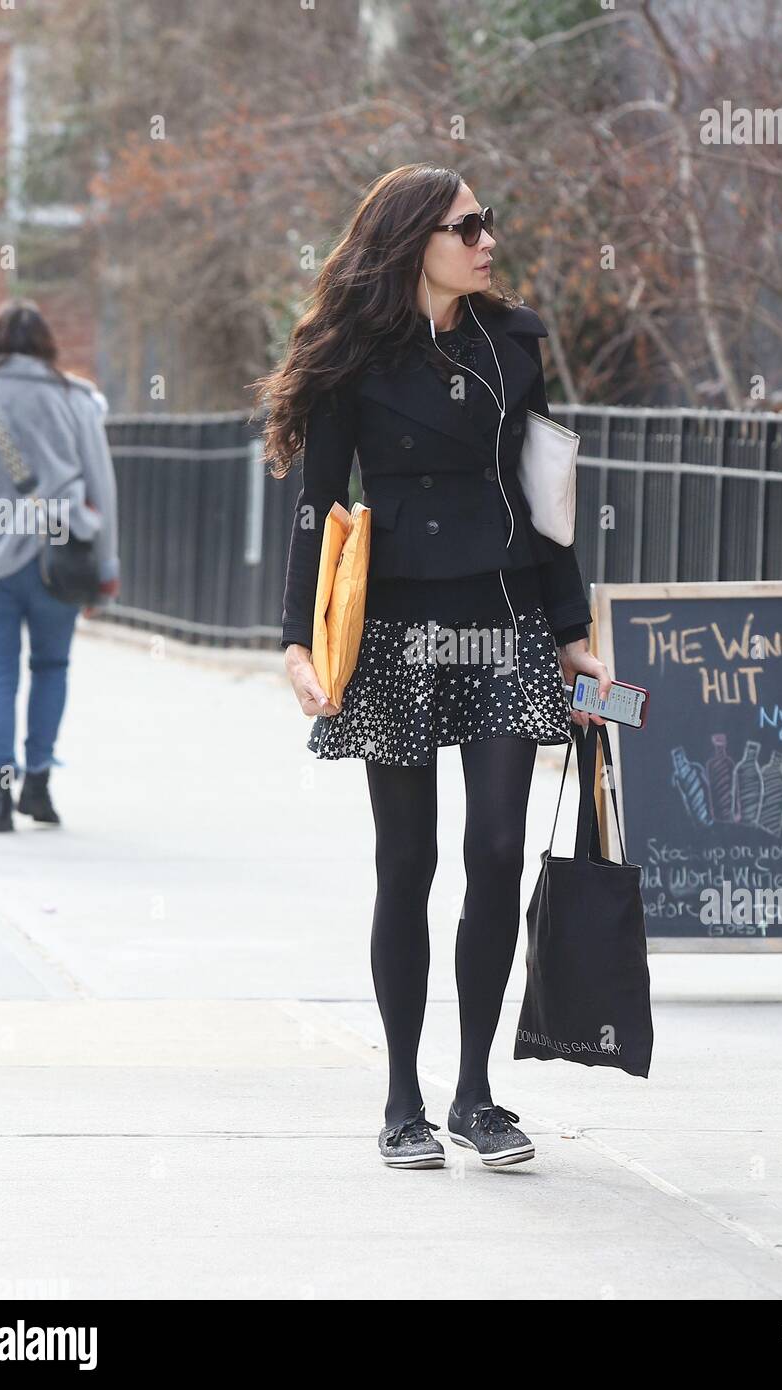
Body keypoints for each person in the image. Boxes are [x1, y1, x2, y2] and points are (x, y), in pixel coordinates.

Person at [255, 164, 612, 1172]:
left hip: (499, 617)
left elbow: (547, 497)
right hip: (396, 627)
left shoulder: (516, 342)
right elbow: (316, 509)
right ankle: (401, 1097)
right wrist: (296, 638)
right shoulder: (349, 357)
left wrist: (570, 626)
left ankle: (475, 1092)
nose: (486, 240)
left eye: (487, 223)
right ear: (417, 239)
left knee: (495, 849)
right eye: (467, 226)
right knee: (403, 863)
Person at [0, 299, 120, 831]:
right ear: (47, 344)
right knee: (51, 667)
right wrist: (106, 567)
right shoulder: (77, 400)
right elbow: (101, 486)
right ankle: (38, 785)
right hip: (59, 555)